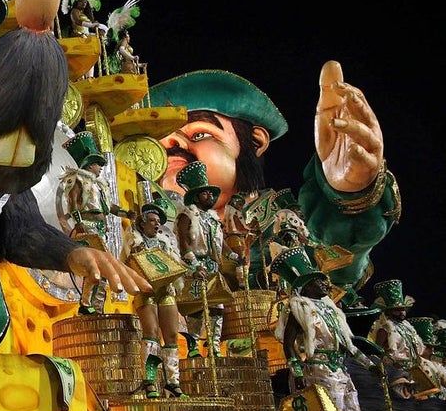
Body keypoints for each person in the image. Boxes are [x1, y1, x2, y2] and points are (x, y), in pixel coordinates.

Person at [149, 64, 399, 314]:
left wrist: (351, 192)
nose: (173, 143)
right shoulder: (150, 228)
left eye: (199, 134)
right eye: (160, 142)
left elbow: (334, 247)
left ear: (255, 141)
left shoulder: (280, 222)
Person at [274, 244, 385, 411]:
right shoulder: (298, 307)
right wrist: (297, 371)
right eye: (318, 281)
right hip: (319, 369)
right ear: (306, 286)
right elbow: (288, 342)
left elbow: (348, 345)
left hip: (341, 370)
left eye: (323, 280)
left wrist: (370, 366)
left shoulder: (333, 312)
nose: (325, 284)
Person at [56, 130, 132, 312]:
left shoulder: (99, 186)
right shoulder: (77, 180)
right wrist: (79, 222)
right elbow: (73, 203)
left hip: (101, 229)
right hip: (88, 228)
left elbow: (109, 207)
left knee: (103, 269)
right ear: (90, 165)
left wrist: (126, 213)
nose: (101, 168)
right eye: (98, 164)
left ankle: (96, 308)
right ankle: (86, 304)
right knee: (97, 268)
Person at [174, 161, 244, 358]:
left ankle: (214, 346)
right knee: (196, 307)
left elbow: (220, 243)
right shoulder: (187, 215)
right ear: (196, 196)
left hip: (213, 268)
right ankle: (193, 346)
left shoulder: (213, 218)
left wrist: (234, 256)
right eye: (205, 193)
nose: (210, 197)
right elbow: (184, 242)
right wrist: (194, 265)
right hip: (194, 267)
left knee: (217, 307)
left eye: (211, 194)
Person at [128, 201, 189, 398]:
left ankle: (173, 382)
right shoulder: (134, 241)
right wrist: (133, 254)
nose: (156, 224)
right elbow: (127, 265)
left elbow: (174, 265)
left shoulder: (165, 244)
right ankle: (150, 381)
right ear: (143, 223)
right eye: (153, 221)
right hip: (146, 291)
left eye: (158, 222)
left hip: (166, 290)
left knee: (171, 335)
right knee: (151, 333)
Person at [368, 280, 437, 400]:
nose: (402, 313)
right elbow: (377, 351)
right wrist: (391, 363)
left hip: (415, 371)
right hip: (396, 373)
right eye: (398, 310)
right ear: (388, 310)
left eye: (403, 309)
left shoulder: (407, 327)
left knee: (426, 400)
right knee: (402, 402)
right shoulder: (384, 328)